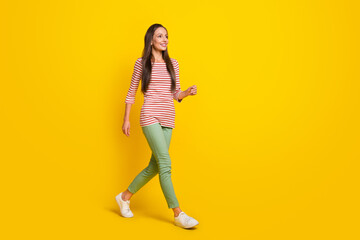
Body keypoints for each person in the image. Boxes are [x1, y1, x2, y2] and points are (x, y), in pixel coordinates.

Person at [115, 24, 199, 229]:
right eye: (160, 35)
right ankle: (178, 213)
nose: (164, 39)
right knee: (165, 163)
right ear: (150, 40)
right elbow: (131, 92)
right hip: (149, 114)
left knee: (155, 166)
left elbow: (175, 93)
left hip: (168, 116)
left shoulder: (173, 64)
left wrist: (186, 93)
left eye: (167, 36)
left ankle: (124, 197)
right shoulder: (142, 63)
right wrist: (126, 119)